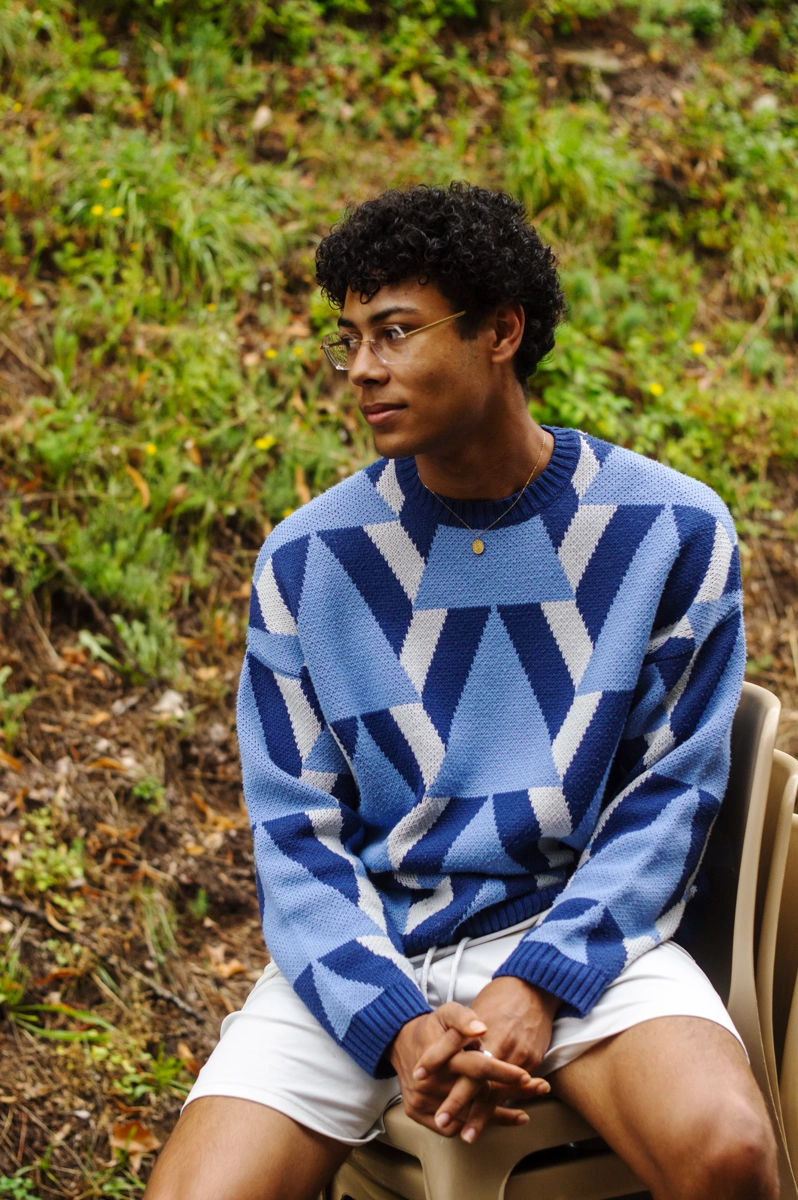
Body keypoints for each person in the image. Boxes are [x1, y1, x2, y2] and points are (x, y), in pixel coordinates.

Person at [145, 183, 779, 1200]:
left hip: (578, 930)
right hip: (368, 939)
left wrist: (542, 979)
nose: (362, 368)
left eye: (395, 332)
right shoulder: (309, 560)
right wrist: (395, 1021)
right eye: (350, 339)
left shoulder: (667, 529)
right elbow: (295, 833)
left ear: (501, 332)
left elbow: (670, 797)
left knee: (731, 1154)